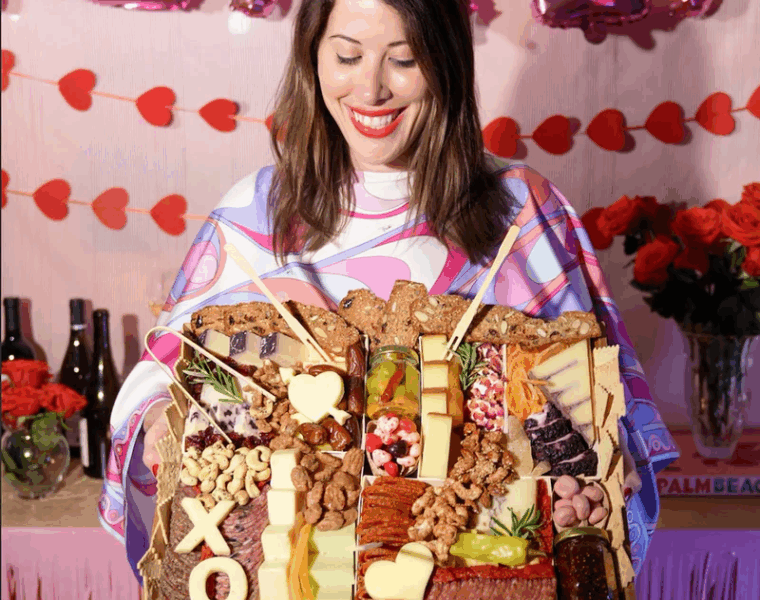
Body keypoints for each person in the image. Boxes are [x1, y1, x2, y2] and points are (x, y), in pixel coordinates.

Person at [99, 0, 678, 584]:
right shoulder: (257, 211)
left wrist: (611, 456)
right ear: (313, 56)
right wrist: (161, 418)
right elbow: (164, 372)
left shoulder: (520, 207)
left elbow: (594, 391)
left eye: (403, 60)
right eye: (347, 56)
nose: (371, 89)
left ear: (446, 63)